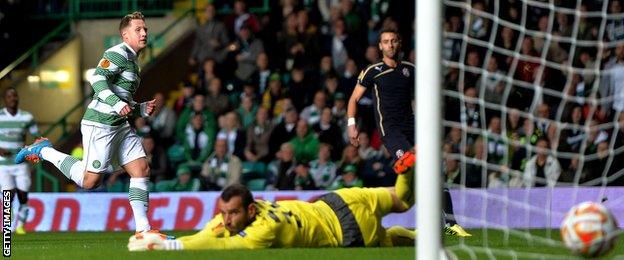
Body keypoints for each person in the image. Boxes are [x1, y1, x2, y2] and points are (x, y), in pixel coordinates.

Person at [15, 12, 166, 236]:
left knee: (141, 168)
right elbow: (97, 78)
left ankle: (143, 230)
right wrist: (116, 103)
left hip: (119, 125)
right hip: (101, 125)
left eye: (145, 29)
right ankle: (44, 150)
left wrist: (140, 108)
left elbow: (122, 98)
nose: (144, 33)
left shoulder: (134, 61)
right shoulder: (118, 52)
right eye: (138, 29)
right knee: (89, 182)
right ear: (125, 35)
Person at [346, 28, 470, 237]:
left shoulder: (410, 69)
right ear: (380, 46)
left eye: (393, 41)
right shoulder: (372, 71)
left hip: (413, 127)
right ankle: (427, 220)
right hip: (390, 130)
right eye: (386, 41)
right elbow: (353, 99)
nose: (390, 45)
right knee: (411, 165)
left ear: (399, 43)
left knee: (436, 171)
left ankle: (450, 223)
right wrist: (351, 125)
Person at [127, 166, 416, 250]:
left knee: (387, 241)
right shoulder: (256, 206)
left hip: (349, 230)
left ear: (251, 211)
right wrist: (170, 239)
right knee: (404, 199)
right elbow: (208, 233)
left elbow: (224, 247)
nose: (226, 220)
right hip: (340, 199)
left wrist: (168, 249)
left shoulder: (264, 230)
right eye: (224, 213)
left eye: (233, 213)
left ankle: (415, 238)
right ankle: (407, 168)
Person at [0, 88, 39, 234]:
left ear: (18, 98)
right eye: (9, 96)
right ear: (5, 99)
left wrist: (33, 150)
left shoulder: (27, 117)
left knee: (23, 195)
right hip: (3, 164)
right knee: (8, 196)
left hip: (21, 163)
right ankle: (7, 226)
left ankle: (21, 225)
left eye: (15, 95)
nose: (13, 98)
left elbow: (37, 137)